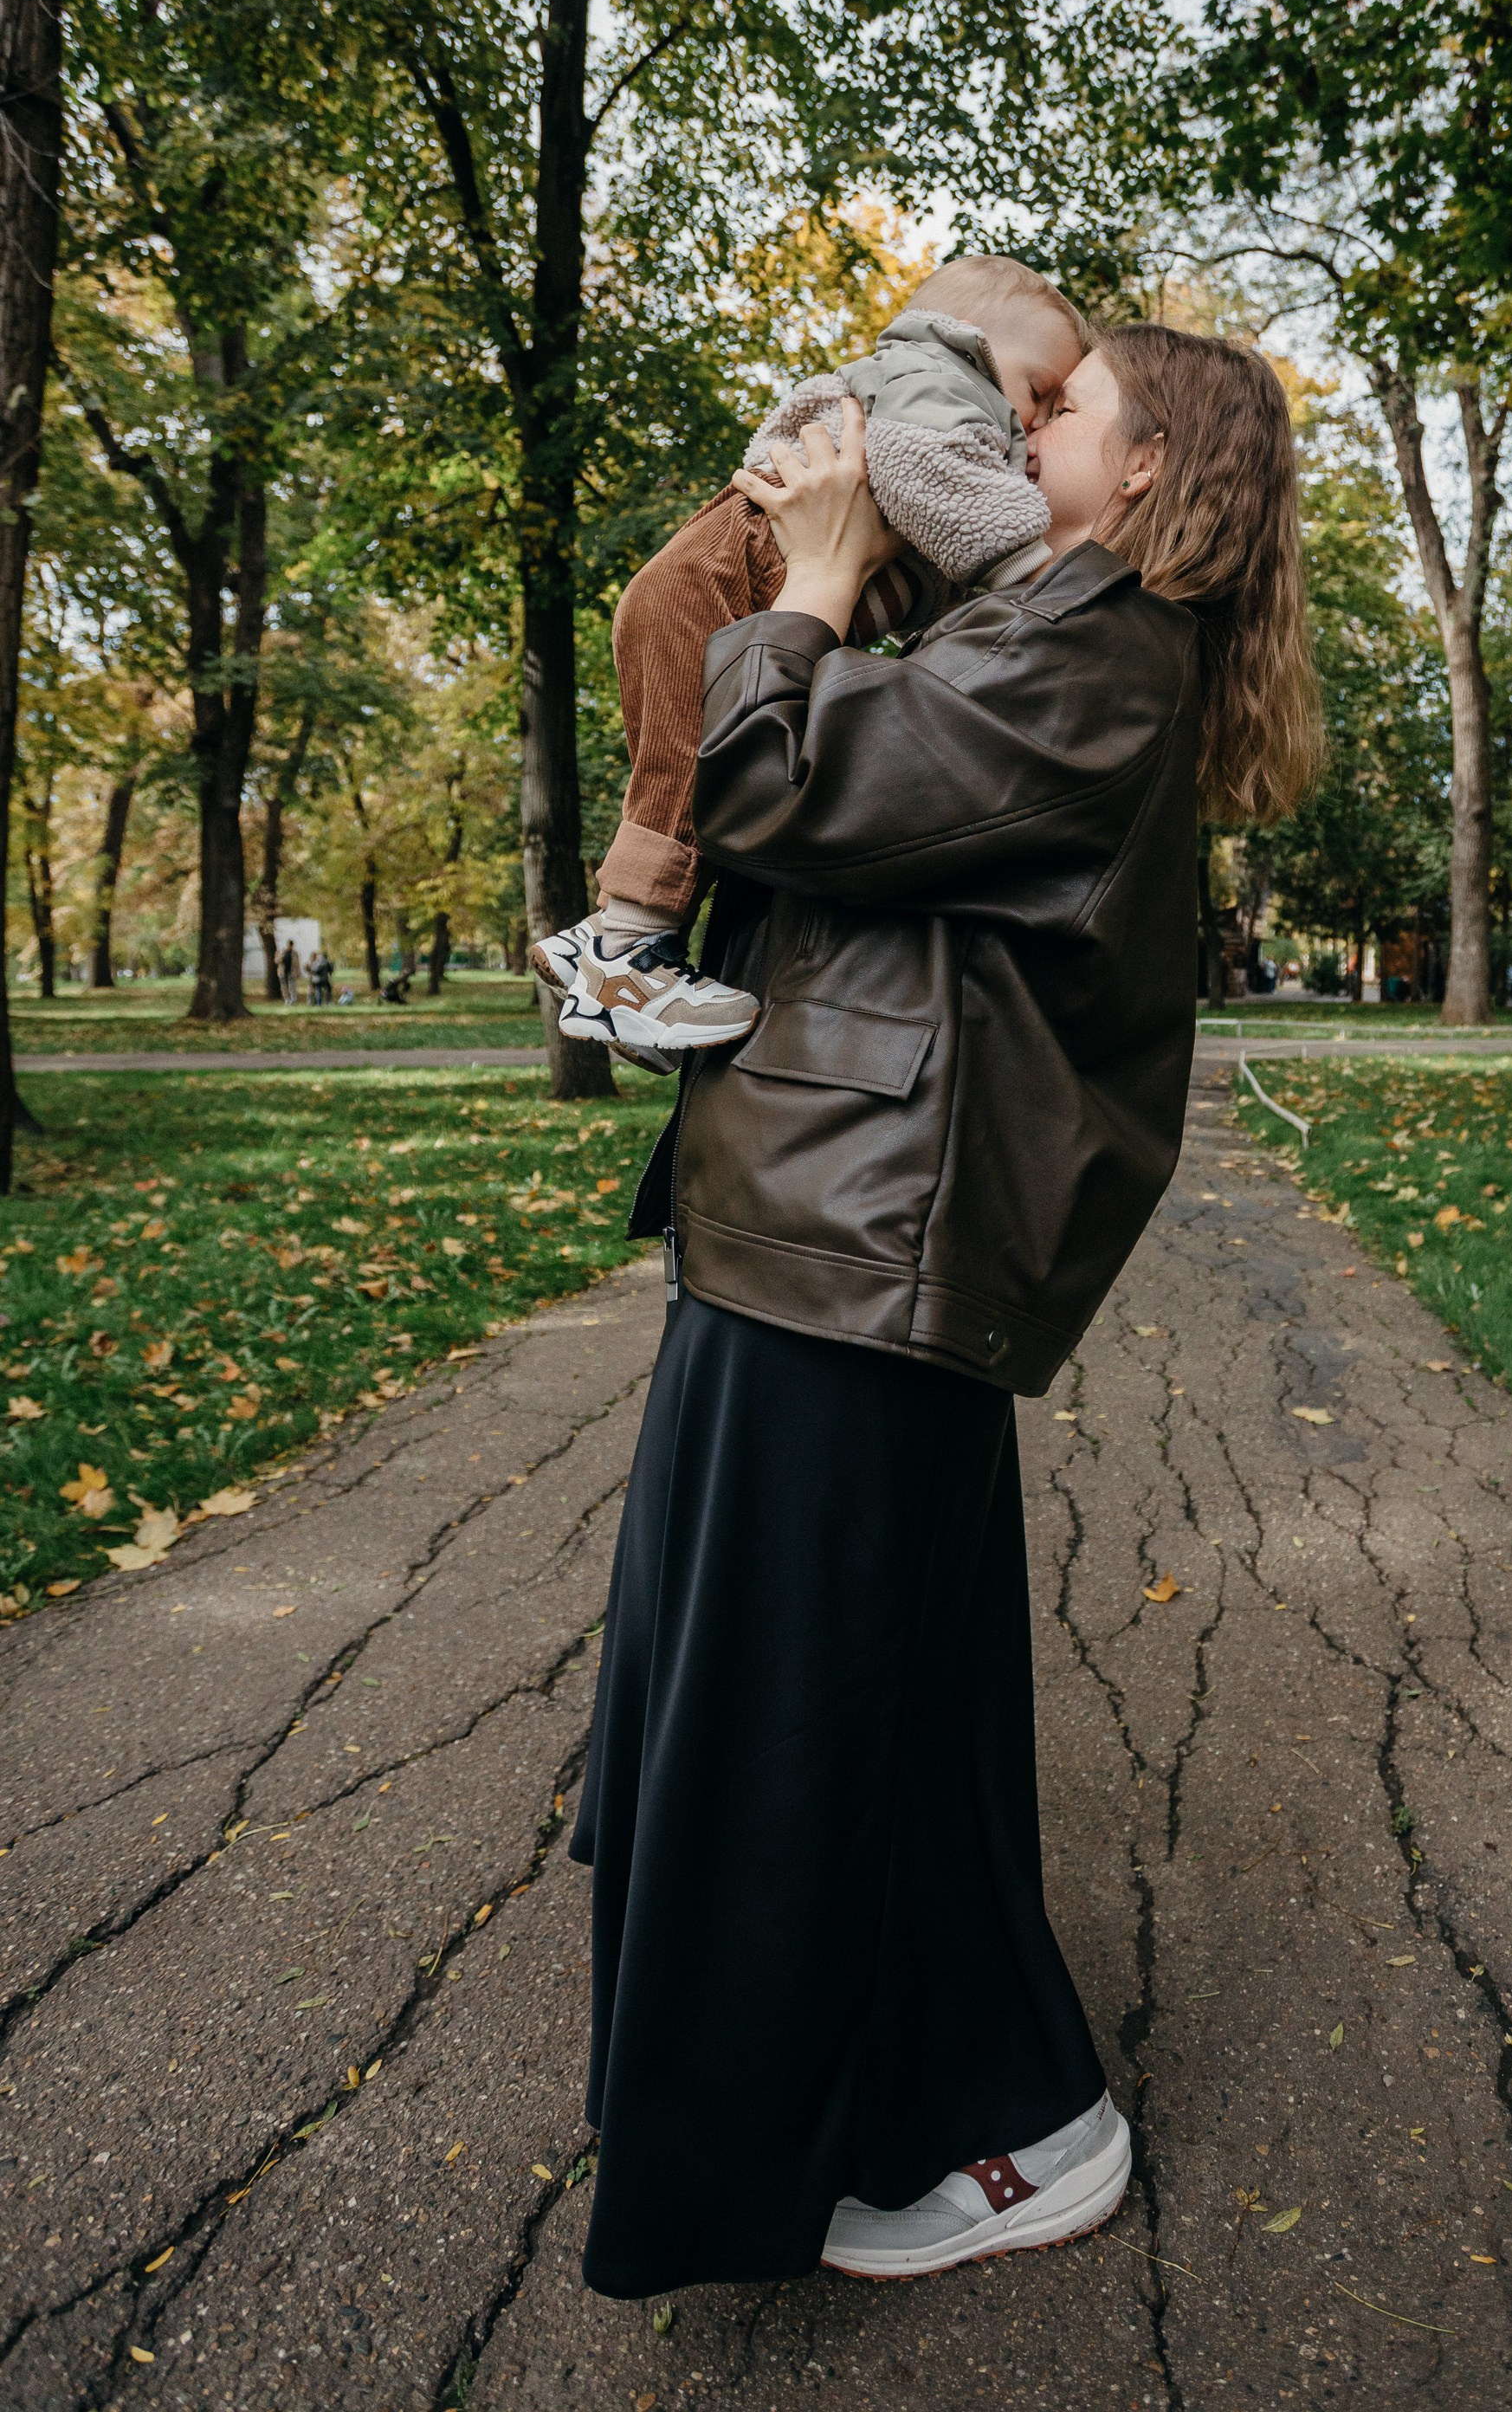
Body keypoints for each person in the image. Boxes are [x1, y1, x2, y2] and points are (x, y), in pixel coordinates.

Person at [569, 320, 1320, 2300]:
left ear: (1147, 472)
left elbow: (780, 785)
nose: (1015, 424)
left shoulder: (1091, 649)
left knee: (811, 1722)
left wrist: (812, 586)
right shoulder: (1056, 626)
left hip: (859, 1246)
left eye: (1060, 411)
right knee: (858, 1714)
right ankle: (970, 2103)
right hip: (830, 1227)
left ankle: (997, 2129)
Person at [527, 255, 1088, 1066]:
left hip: (727, 585)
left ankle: (615, 959)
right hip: (722, 580)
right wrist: (1032, 576)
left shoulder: (941, 393)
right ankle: (625, 953)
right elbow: (930, 479)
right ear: (975, 340)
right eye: (1039, 393)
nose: (1034, 423)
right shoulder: (936, 376)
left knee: (699, 791)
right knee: (691, 783)